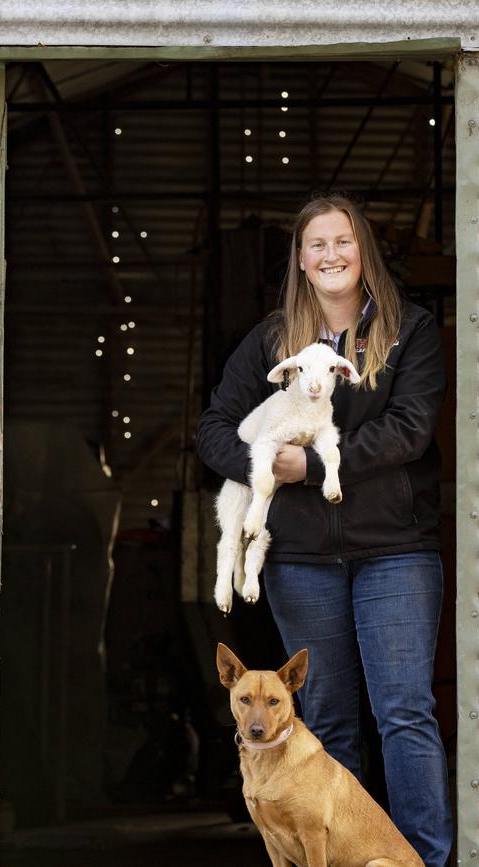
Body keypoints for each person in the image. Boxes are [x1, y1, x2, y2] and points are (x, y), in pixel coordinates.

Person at [195, 194, 452, 866]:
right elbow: (215, 428)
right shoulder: (271, 342)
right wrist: (262, 461)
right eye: (317, 244)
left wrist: (305, 464)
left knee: (404, 713)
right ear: (301, 261)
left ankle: (421, 858)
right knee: (328, 717)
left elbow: (408, 432)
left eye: (343, 241)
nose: (331, 254)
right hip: (302, 556)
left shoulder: (410, 332)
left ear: (362, 250)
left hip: (396, 549)